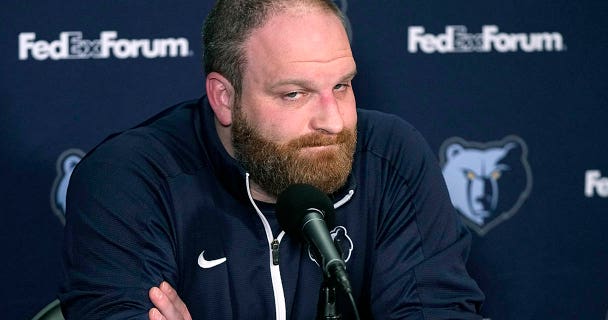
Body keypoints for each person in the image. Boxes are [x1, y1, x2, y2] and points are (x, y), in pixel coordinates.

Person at [59, 0, 485, 319]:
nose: (333, 122)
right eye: (294, 94)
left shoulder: (390, 158)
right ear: (224, 99)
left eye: (342, 86)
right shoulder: (131, 179)